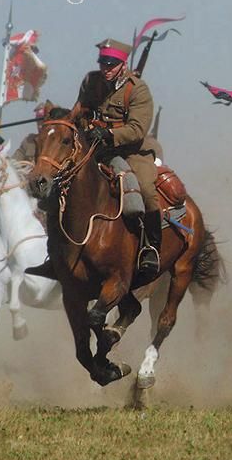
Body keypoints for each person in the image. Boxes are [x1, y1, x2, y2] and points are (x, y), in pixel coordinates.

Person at [26, 38, 161, 279]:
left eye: (111, 64)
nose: (106, 68)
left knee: (147, 192)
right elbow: (77, 111)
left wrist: (108, 133)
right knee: (55, 192)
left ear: (123, 64)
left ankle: (150, 248)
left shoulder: (137, 89)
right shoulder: (91, 81)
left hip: (130, 151)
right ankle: (54, 256)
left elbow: (137, 129)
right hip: (94, 149)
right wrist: (62, 119)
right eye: (103, 63)